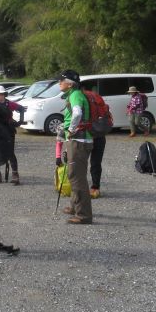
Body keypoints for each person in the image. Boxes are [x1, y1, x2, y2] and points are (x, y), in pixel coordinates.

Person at [57, 69, 93, 225]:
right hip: (80, 140)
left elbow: (77, 113)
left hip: (78, 140)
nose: (59, 82)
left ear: (70, 84)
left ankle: (83, 215)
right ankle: (74, 206)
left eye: (61, 80)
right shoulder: (75, 94)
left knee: (76, 177)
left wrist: (71, 130)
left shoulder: (75, 95)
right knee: (76, 175)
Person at [0, 86, 25, 185]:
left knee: (10, 153)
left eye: (2, 94)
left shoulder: (9, 104)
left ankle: (15, 175)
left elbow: (21, 108)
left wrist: (20, 122)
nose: (1, 96)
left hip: (8, 131)